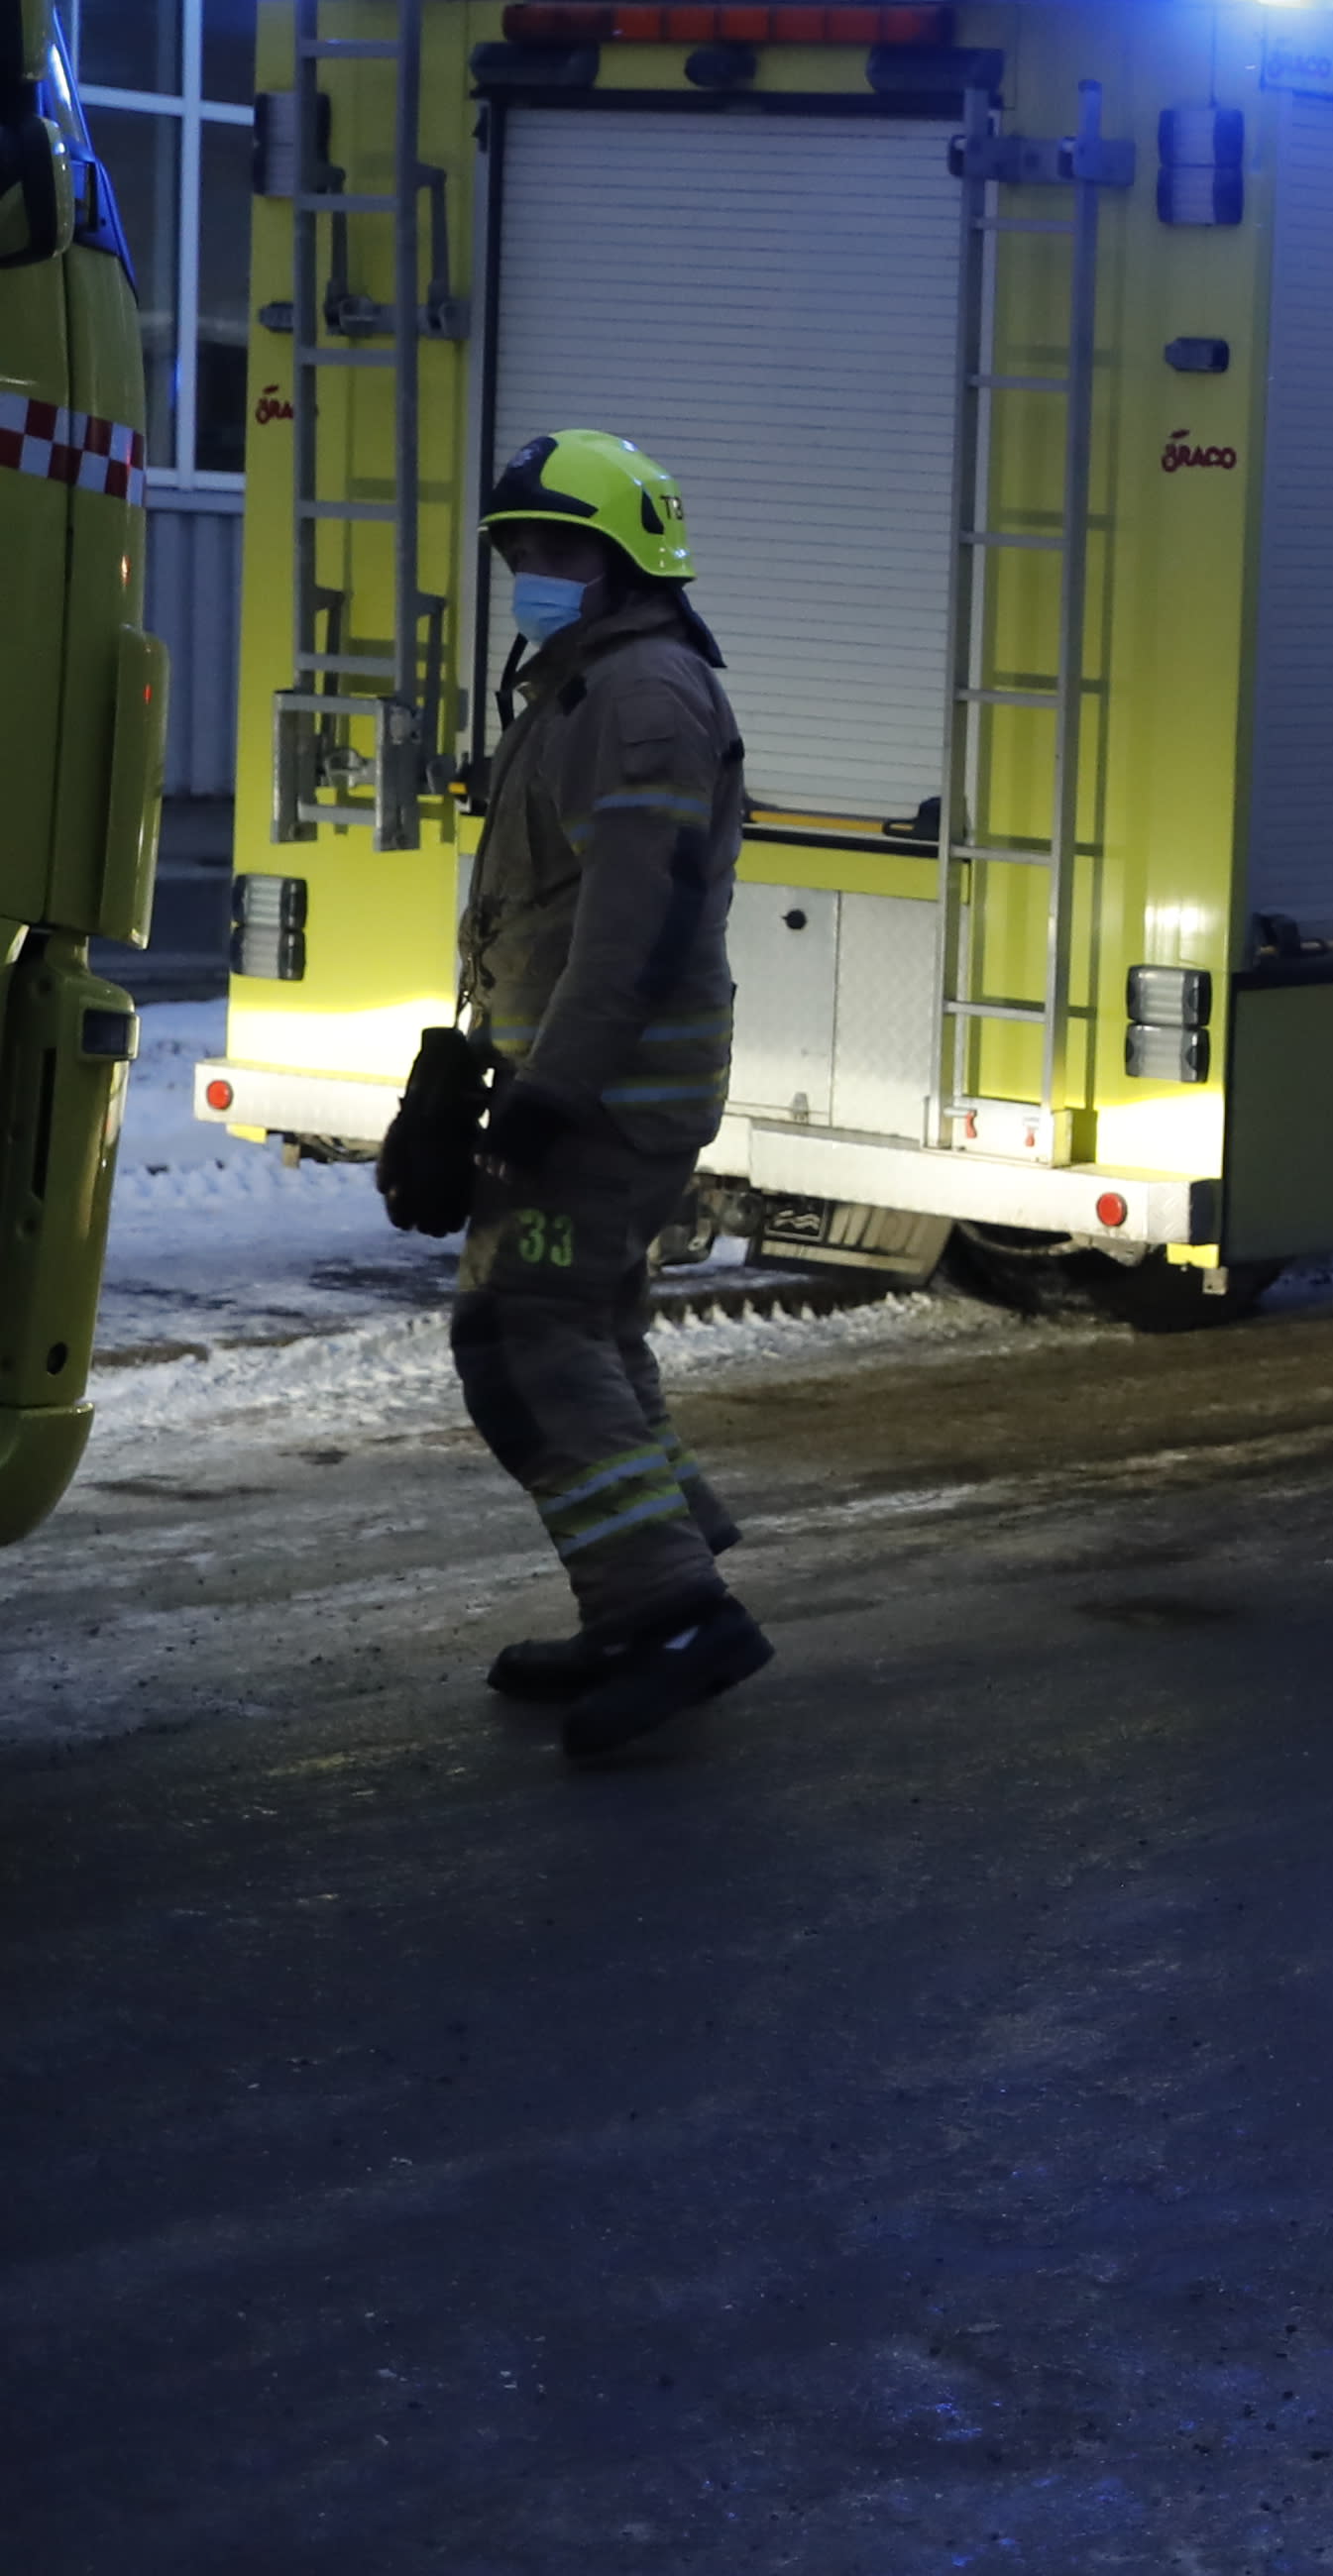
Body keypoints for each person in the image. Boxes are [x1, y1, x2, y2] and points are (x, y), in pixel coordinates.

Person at [384, 430, 765, 1761]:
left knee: (523, 1340)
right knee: (586, 1325)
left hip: (610, 1091)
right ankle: (648, 1592)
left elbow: (631, 920)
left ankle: (674, 1611)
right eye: (520, 549)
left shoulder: (641, 694)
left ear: (627, 561)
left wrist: (554, 1092)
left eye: (558, 548)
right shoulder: (588, 683)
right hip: (587, 1075)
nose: (531, 571)